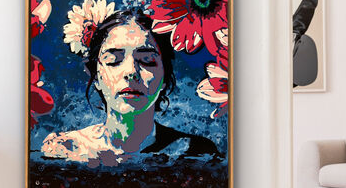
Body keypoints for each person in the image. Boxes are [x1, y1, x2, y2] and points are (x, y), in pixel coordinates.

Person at [41, 10, 218, 165]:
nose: (131, 71)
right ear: (96, 77)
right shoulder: (67, 150)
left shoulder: (196, 152)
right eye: (114, 60)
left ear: (165, 77)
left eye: (147, 60)